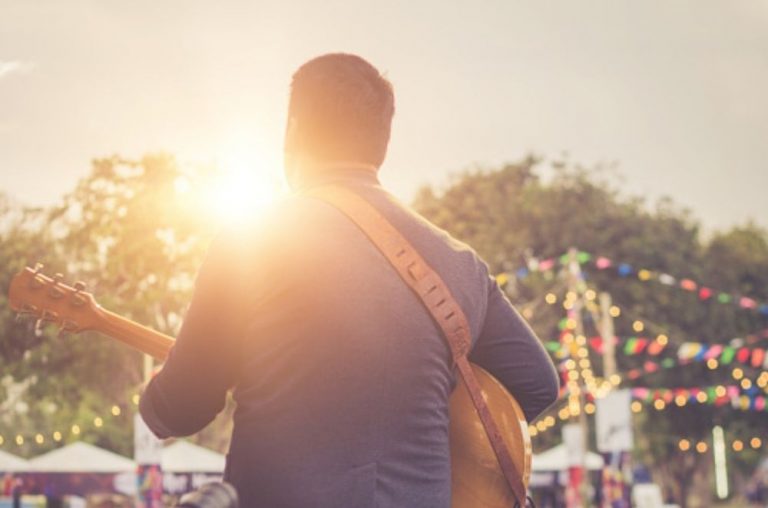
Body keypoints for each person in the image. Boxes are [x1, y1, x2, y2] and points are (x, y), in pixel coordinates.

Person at [139, 53, 559, 507]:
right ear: (381, 142)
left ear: (294, 130)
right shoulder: (460, 263)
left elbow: (180, 410)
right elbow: (538, 384)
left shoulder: (252, 238)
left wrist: (162, 388)